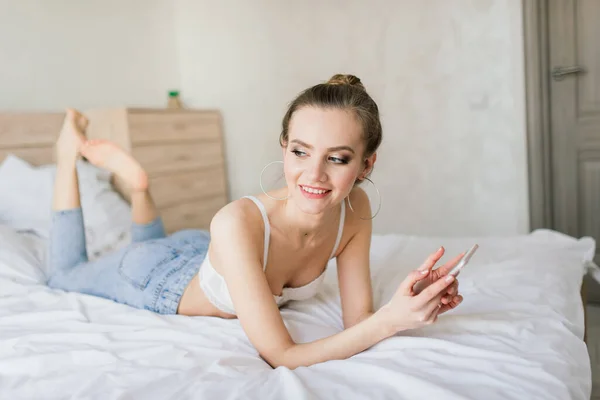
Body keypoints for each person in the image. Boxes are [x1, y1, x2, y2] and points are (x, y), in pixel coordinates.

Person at [47, 74, 464, 369]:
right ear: (284, 148)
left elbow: (358, 323)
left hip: (203, 251)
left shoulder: (354, 212)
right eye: (301, 152)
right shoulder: (235, 221)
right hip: (155, 277)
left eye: (336, 158)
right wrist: (390, 321)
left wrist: (407, 305)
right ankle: (67, 155)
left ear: (366, 164)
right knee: (62, 274)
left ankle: (139, 188)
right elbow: (281, 355)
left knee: (159, 241)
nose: (314, 175)